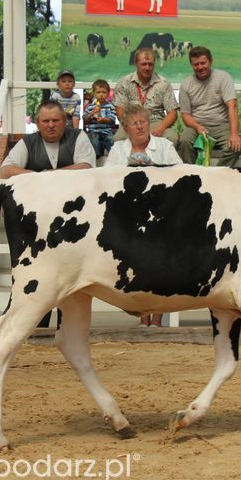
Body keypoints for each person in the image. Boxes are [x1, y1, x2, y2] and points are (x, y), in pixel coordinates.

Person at [0, 100, 95, 327]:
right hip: (39, 226)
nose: (51, 125)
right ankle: (37, 328)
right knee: (39, 277)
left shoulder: (78, 137)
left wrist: (50, 176)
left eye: (56, 120)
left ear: (64, 121)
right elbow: (6, 169)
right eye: (46, 121)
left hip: (74, 224)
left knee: (70, 278)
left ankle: (67, 328)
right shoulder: (28, 142)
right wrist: (37, 176)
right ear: (37, 123)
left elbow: (86, 166)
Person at [105, 104, 182, 326]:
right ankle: (143, 319)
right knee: (137, 269)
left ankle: (157, 321)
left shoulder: (164, 145)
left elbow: (181, 177)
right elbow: (107, 180)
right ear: (126, 129)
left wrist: (154, 167)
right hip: (129, 216)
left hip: (161, 215)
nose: (139, 126)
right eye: (134, 123)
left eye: (143, 122)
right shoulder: (118, 149)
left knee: (161, 269)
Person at [178, 46, 241, 166]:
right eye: (196, 64)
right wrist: (197, 127)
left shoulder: (223, 77)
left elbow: (232, 107)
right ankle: (192, 175)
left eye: (203, 63)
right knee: (184, 141)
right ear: (192, 65)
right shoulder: (186, 84)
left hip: (221, 125)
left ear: (210, 61)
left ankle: (215, 176)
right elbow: (185, 116)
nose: (200, 67)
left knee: (235, 147)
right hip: (197, 126)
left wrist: (234, 134)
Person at [113, 47, 180, 149]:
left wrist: (161, 129)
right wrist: (129, 126)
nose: (147, 68)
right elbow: (120, 109)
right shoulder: (124, 83)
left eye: (150, 64)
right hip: (132, 122)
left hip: (156, 122)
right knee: (119, 138)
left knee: (171, 138)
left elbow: (172, 113)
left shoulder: (163, 83)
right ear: (136, 64)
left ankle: (161, 164)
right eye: (143, 64)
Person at [84, 79, 117, 166]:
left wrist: (103, 120)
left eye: (104, 92)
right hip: (94, 131)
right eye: (98, 92)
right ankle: (97, 157)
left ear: (108, 93)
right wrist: (91, 113)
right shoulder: (90, 107)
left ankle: (114, 157)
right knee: (94, 141)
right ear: (94, 93)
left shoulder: (110, 106)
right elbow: (85, 119)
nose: (101, 94)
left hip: (107, 131)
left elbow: (112, 119)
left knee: (111, 141)